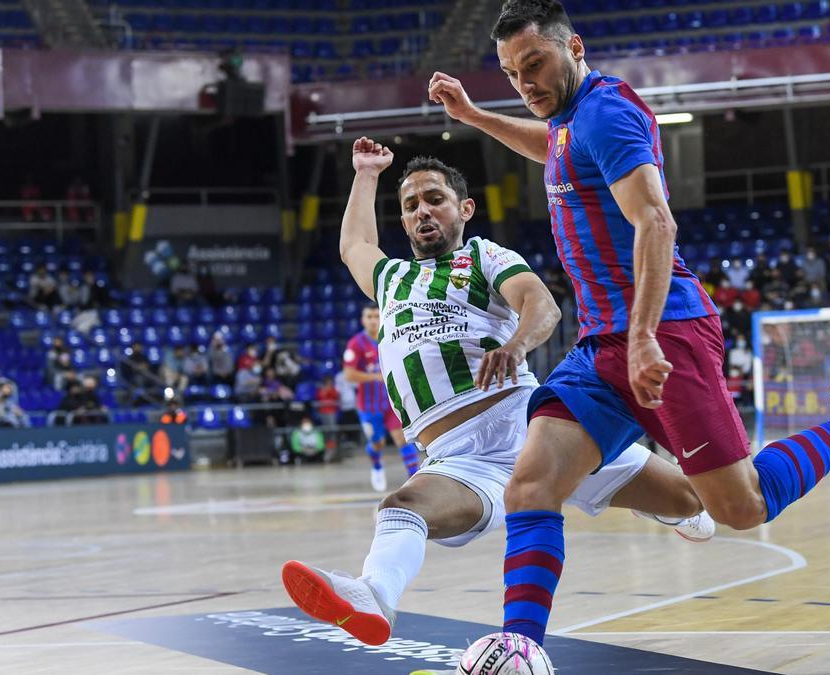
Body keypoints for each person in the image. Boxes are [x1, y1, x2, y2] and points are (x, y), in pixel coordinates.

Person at [428, 0, 830, 650]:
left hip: (664, 331)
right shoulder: (566, 121)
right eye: (512, 72)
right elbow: (552, 149)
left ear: (574, 46)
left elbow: (656, 222)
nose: (525, 82)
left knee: (742, 506)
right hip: (601, 346)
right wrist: (473, 115)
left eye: (535, 63)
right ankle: (520, 647)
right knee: (532, 482)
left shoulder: (607, 112)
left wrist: (642, 334)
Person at [281, 138, 713, 650]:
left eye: (434, 199)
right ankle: (374, 594)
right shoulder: (392, 278)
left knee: (695, 497)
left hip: (535, 429)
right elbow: (354, 245)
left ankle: (687, 497)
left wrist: (515, 344)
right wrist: (366, 174)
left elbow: (542, 306)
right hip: (458, 459)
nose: (423, 211)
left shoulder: (483, 256)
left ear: (464, 208)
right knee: (401, 506)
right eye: (411, 205)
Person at [343, 304, 420, 490]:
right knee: (378, 443)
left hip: (392, 400)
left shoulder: (393, 336)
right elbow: (349, 375)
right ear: (363, 320)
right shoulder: (356, 344)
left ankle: (416, 481)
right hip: (369, 405)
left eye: (376, 316)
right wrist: (377, 377)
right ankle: (377, 466)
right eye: (369, 316)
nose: (372, 320)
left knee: (402, 439)